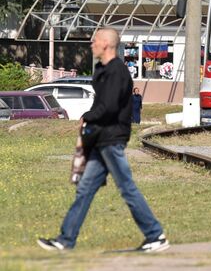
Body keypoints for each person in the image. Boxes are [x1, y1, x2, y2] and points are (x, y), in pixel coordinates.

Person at [37, 28, 169, 252]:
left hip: (111, 138)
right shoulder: (105, 70)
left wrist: (86, 117)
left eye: (95, 40)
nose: (91, 44)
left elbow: (108, 106)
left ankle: (155, 235)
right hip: (101, 138)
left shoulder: (117, 71)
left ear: (106, 44)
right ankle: (65, 240)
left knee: (127, 188)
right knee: (85, 188)